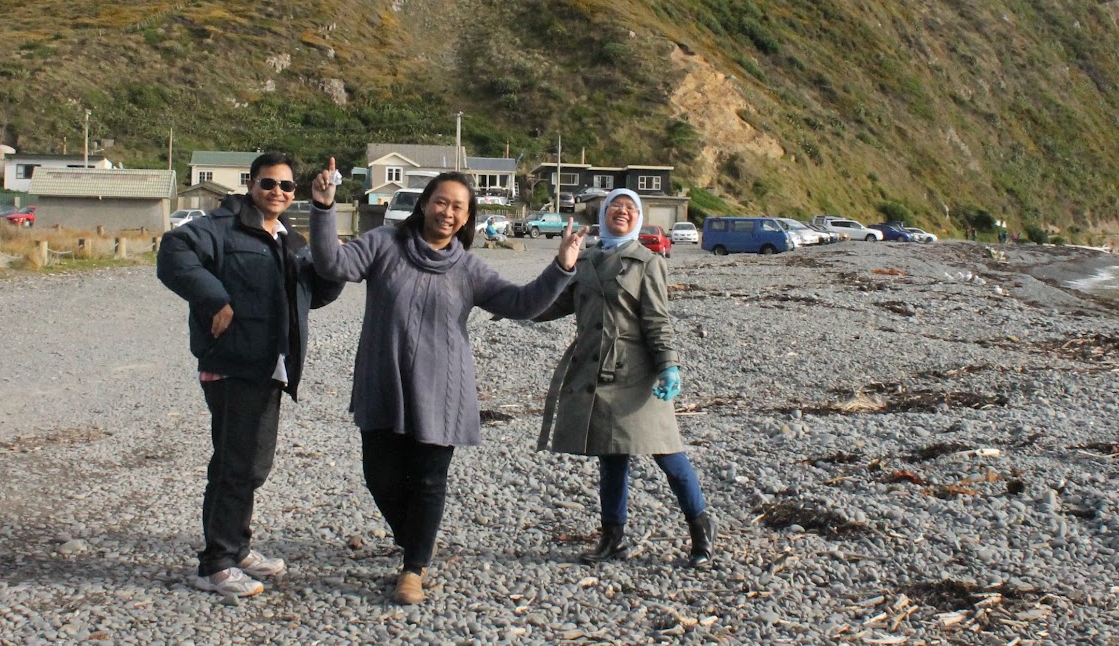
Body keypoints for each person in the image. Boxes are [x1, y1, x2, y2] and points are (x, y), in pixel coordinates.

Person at [307, 160, 585, 605]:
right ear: (424, 204)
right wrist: (323, 208)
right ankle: (416, 538)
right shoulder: (383, 244)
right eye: (441, 202)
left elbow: (522, 304)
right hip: (383, 380)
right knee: (380, 478)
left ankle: (413, 567)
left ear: (468, 217)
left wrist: (562, 266)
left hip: (443, 389)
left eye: (459, 207)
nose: (448, 212)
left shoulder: (469, 269)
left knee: (429, 481)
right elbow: (332, 264)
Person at [156, 151, 344, 598]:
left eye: (286, 185)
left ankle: (237, 549)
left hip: (271, 365)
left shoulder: (290, 239)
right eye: (268, 183)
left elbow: (321, 288)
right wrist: (215, 298)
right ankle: (215, 564)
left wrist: (326, 232)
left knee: (253, 464)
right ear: (250, 185)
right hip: (232, 364)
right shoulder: (221, 227)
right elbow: (173, 252)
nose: (277, 192)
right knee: (234, 464)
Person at [536, 188, 716, 567]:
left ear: (639, 217)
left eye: (629, 207)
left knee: (668, 453)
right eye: (614, 206)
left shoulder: (647, 262)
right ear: (603, 214)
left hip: (637, 373)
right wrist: (506, 301)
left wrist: (669, 365)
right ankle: (612, 538)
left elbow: (657, 319)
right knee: (611, 459)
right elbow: (553, 303)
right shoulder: (584, 259)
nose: (621, 211)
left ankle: (701, 528)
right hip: (597, 372)